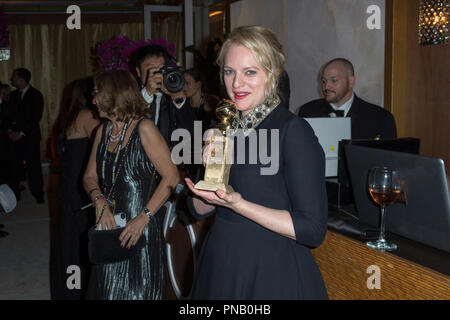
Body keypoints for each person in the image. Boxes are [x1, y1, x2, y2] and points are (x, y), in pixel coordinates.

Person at [185, 25, 329, 299]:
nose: (236, 83)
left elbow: (312, 231)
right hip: (222, 266)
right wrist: (209, 183)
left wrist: (239, 204)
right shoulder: (225, 128)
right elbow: (199, 208)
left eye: (250, 72)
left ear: (273, 74)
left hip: (271, 272)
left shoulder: (293, 130)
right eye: (230, 72)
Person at [83, 69, 179, 300]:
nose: (93, 100)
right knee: (107, 290)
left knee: (139, 293)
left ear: (114, 95)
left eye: (97, 94)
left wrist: (144, 217)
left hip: (140, 228)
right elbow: (89, 177)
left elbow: (171, 177)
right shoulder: (102, 131)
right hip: (109, 226)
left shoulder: (144, 129)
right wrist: (99, 200)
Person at [50, 78, 101, 300]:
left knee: (68, 239)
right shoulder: (87, 116)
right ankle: (78, 292)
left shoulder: (69, 117)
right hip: (80, 187)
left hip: (68, 185)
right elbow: (104, 148)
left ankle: (69, 290)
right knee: (79, 241)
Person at [298, 58, 397, 139]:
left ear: (351, 82)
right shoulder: (307, 112)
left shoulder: (380, 118)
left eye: (334, 80)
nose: (326, 87)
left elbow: (387, 160)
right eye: (324, 81)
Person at [134, 44, 196, 149]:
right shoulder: (130, 95)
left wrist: (178, 99)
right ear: (138, 72)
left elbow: (193, 134)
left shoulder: (173, 96)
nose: (158, 75)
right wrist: (147, 93)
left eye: (162, 69)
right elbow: (128, 126)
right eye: (152, 70)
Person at [7, 68, 45, 203]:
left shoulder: (36, 95)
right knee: (14, 167)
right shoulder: (13, 95)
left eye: (14, 77)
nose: (12, 80)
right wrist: (10, 131)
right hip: (14, 138)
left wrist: (21, 133)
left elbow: (36, 118)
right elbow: (9, 115)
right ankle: (15, 195)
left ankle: (39, 195)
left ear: (21, 79)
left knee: (33, 167)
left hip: (30, 138)